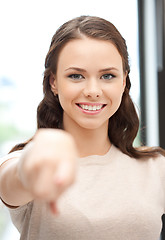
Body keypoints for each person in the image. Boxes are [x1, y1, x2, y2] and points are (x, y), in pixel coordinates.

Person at [0, 15, 165, 240]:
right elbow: (14, 179)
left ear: (124, 81)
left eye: (108, 76)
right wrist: (30, 169)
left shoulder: (156, 168)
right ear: (54, 82)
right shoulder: (24, 162)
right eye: (76, 76)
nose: (93, 90)